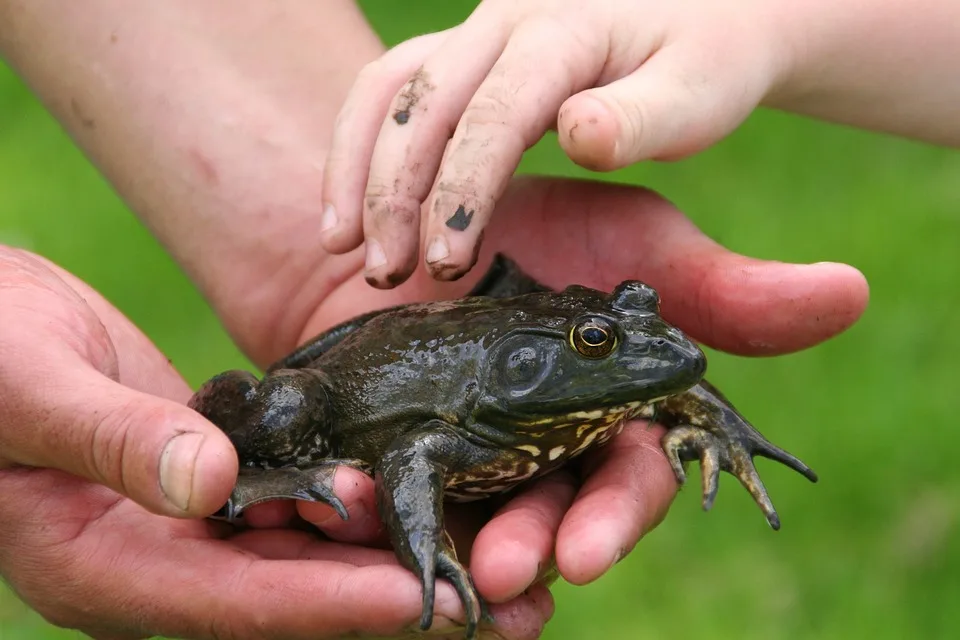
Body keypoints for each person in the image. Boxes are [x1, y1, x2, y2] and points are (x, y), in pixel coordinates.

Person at [0, 0, 900, 638]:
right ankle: (252, 484)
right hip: (353, 389)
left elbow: (669, 370)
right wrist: (429, 551)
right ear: (552, 353)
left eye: (623, 326)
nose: (636, 350)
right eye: (597, 344)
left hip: (451, 336)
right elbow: (422, 450)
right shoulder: (465, 433)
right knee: (279, 413)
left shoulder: (595, 386)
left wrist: (718, 424)